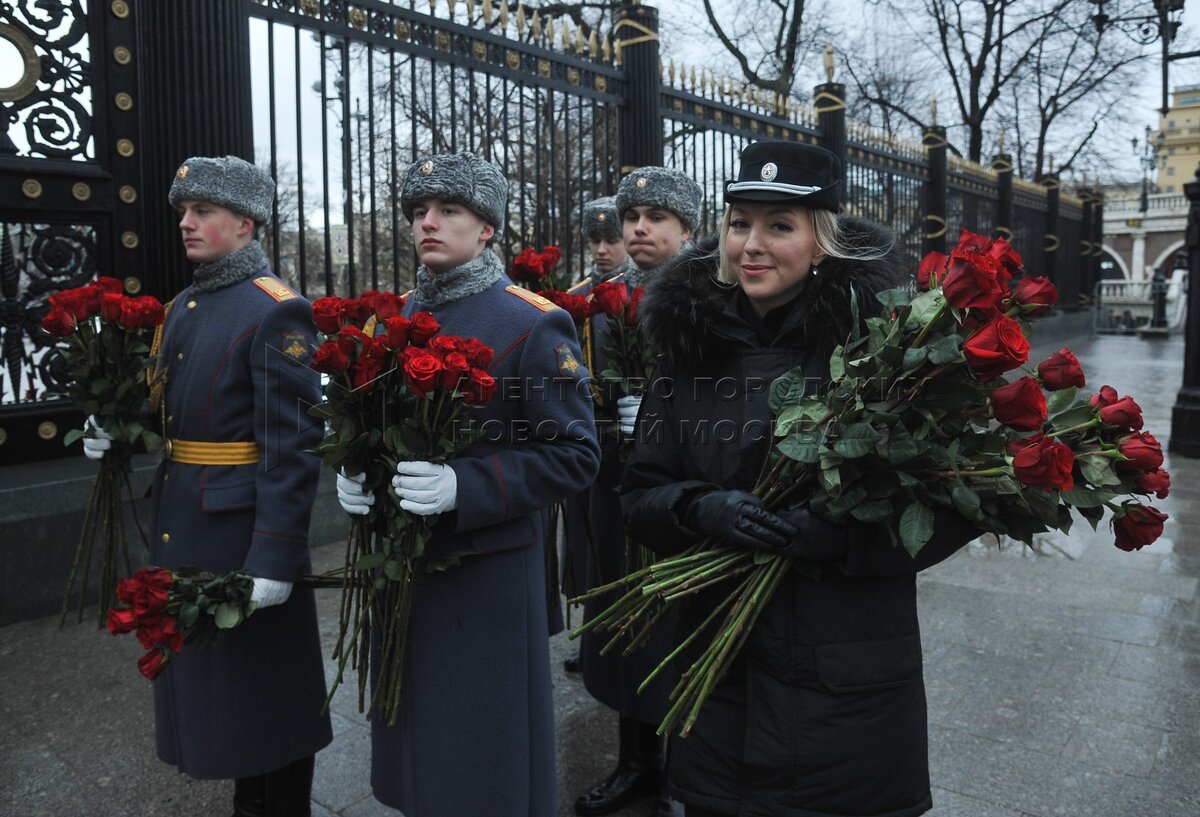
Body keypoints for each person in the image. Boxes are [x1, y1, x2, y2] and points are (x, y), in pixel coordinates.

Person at [619, 141, 981, 817]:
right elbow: (639, 494)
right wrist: (698, 509)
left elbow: (953, 503)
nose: (751, 245)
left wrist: (843, 538)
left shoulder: (889, 350)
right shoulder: (686, 352)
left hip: (846, 692)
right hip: (719, 681)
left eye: (779, 226)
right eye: (739, 223)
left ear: (821, 243)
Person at [335, 151, 601, 816]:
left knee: (479, 753)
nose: (427, 222)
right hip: (401, 564)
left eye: (448, 210)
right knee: (414, 742)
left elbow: (575, 454)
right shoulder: (389, 317)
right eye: (419, 211)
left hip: (484, 571)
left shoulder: (531, 321)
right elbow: (373, 425)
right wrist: (354, 472)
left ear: (487, 229)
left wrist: (467, 484)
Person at [84, 155, 332, 816]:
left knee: (266, 690)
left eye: (203, 211)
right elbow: (169, 401)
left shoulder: (276, 310)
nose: (186, 223)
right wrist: (117, 428)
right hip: (185, 520)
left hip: (241, 534)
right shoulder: (184, 306)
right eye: (183, 212)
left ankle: (278, 806)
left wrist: (275, 556)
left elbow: (292, 446)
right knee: (222, 692)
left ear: (245, 223)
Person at [574, 167, 701, 817]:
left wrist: (660, 419)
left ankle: (684, 770)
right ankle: (636, 762)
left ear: (687, 228)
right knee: (626, 627)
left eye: (656, 217)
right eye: (632, 218)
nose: (639, 229)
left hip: (682, 494)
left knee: (677, 627)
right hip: (615, 485)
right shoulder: (603, 299)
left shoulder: (712, 295)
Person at [561, 195, 635, 672]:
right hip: (585, 433)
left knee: (618, 545)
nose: (602, 250)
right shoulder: (578, 295)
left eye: (611, 239)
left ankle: (622, 639)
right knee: (586, 544)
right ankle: (591, 640)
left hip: (626, 431)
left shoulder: (636, 291)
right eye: (595, 240)